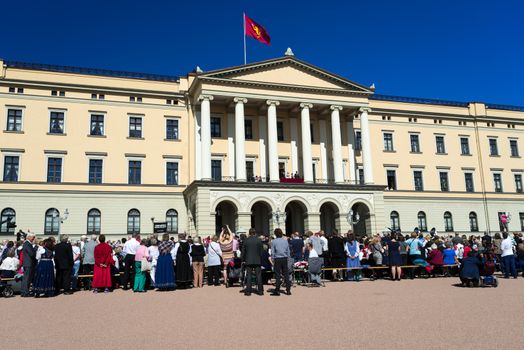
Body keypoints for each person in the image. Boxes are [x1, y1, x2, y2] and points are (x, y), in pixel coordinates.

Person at [241, 228, 264, 296]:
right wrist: (260, 258)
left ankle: (248, 291)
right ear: (255, 233)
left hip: (248, 260)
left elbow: (243, 252)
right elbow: (261, 251)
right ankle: (260, 291)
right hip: (257, 260)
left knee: (249, 276)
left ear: (249, 233)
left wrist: (243, 260)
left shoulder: (246, 240)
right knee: (258, 276)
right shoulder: (259, 240)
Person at [270, 228, 291, 296]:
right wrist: (288, 258)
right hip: (284, 258)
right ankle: (288, 290)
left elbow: (273, 252)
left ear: (275, 234)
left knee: (278, 275)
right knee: (286, 275)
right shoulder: (285, 241)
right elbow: (288, 251)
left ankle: (277, 290)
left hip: (277, 259)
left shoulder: (273, 241)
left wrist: (272, 259)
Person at [20, 233, 37, 297]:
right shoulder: (27, 244)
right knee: (27, 278)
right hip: (28, 263)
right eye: (33, 237)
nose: (34, 238)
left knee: (27, 278)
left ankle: (25, 291)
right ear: (29, 237)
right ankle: (24, 292)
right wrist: (35, 251)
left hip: (28, 263)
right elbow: (31, 253)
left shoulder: (27, 243)